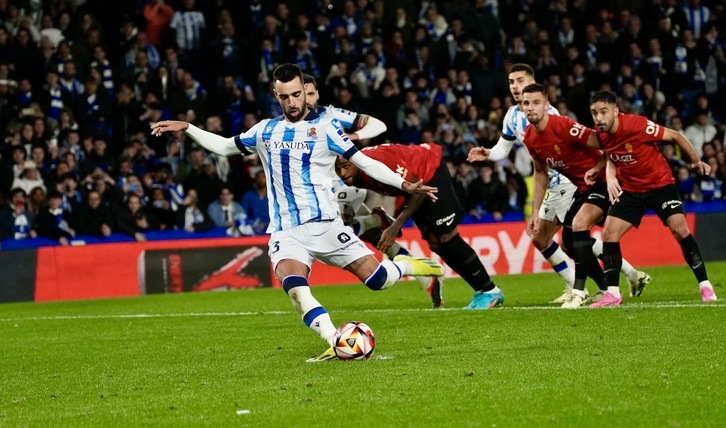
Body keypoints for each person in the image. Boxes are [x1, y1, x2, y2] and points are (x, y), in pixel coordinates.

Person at [151, 63, 444, 362]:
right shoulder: (265, 130)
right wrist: (188, 128)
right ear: (275, 96)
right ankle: (335, 340)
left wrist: (404, 183)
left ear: (305, 94)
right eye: (284, 97)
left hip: (327, 225)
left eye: (295, 95)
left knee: (379, 280)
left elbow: (365, 162)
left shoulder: (326, 129)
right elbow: (226, 147)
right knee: (295, 290)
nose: (291, 102)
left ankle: (408, 264)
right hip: (286, 230)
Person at [467, 63, 649, 301]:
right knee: (556, 240)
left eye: (520, 81)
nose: (515, 86)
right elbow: (504, 148)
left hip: (566, 181)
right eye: (512, 82)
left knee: (564, 239)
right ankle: (627, 275)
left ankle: (588, 288)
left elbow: (580, 144)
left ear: (533, 83)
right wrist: (488, 154)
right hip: (551, 184)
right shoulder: (512, 115)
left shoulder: (549, 115)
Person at [303, 73, 444, 307]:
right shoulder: (290, 125)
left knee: (336, 236)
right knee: (357, 235)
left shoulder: (331, 115)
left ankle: (377, 229)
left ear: (317, 94)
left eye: (310, 93)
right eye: (301, 94)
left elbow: (378, 125)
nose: (306, 100)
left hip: (342, 185)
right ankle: (420, 272)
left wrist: (351, 137)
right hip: (319, 188)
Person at [335, 142, 505, 310]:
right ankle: (481, 292)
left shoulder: (378, 162)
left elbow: (417, 186)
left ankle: (491, 291)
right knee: (435, 242)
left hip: (430, 170)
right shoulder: (354, 175)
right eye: (338, 169)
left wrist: (395, 226)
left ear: (355, 161)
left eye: (345, 167)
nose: (342, 173)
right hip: (414, 186)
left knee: (448, 236)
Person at [587, 90, 717, 306]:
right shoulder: (601, 134)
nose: (599, 118)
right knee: (609, 232)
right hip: (631, 189)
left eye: (603, 112)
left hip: (660, 186)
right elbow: (610, 154)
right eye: (594, 113)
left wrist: (695, 161)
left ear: (615, 111)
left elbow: (675, 135)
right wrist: (608, 177)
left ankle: (705, 285)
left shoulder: (637, 125)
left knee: (679, 229)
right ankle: (612, 293)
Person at [520, 83, 619, 308]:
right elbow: (540, 172)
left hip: (604, 183)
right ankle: (605, 288)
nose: (530, 108)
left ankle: (579, 291)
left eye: (536, 102)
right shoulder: (530, 137)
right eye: (526, 103)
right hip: (584, 188)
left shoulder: (563, 126)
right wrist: (535, 212)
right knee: (569, 244)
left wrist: (605, 170)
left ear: (547, 105)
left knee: (579, 226)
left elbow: (605, 142)